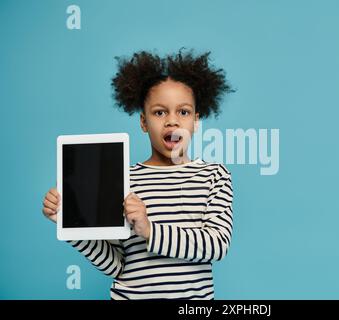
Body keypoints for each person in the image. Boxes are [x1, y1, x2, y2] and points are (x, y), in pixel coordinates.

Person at [42, 48, 235, 300]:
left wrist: (150, 230)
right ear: (143, 122)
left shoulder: (214, 176)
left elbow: (216, 245)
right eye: (159, 112)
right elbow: (116, 266)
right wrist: (71, 225)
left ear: (196, 122)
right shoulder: (122, 180)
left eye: (183, 112)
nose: (172, 121)